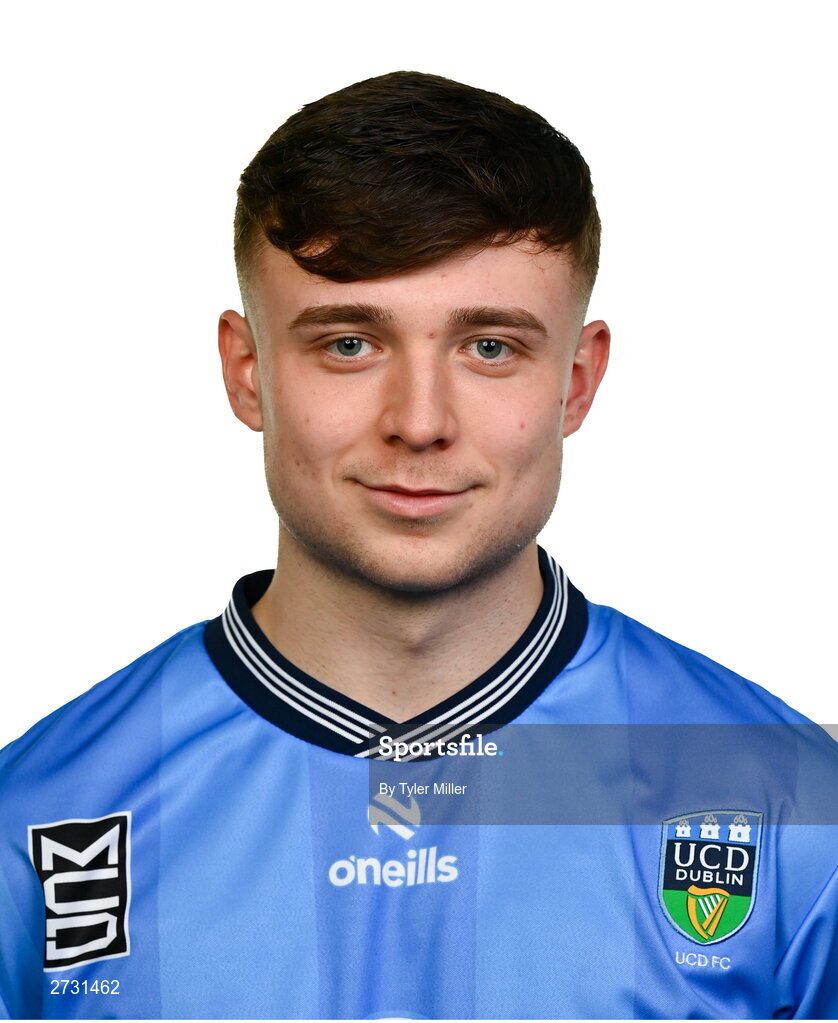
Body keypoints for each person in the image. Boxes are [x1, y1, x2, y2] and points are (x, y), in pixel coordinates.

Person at [0, 71, 835, 1020]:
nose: (420, 421)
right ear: (247, 372)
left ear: (576, 381)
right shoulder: (35, 821)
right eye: (349, 344)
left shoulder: (796, 811)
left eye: (491, 347)